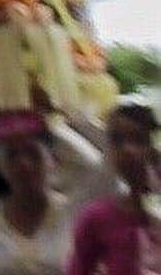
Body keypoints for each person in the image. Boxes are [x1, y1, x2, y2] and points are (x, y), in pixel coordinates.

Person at [0, 109, 110, 274]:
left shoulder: (73, 212)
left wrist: (56, 118)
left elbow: (106, 164)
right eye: (12, 155)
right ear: (0, 166)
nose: (23, 164)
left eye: (33, 154)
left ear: (53, 161)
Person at [66, 102, 161, 275]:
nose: (127, 149)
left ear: (152, 149)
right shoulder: (97, 217)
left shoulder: (155, 212)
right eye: (117, 141)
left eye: (137, 139)